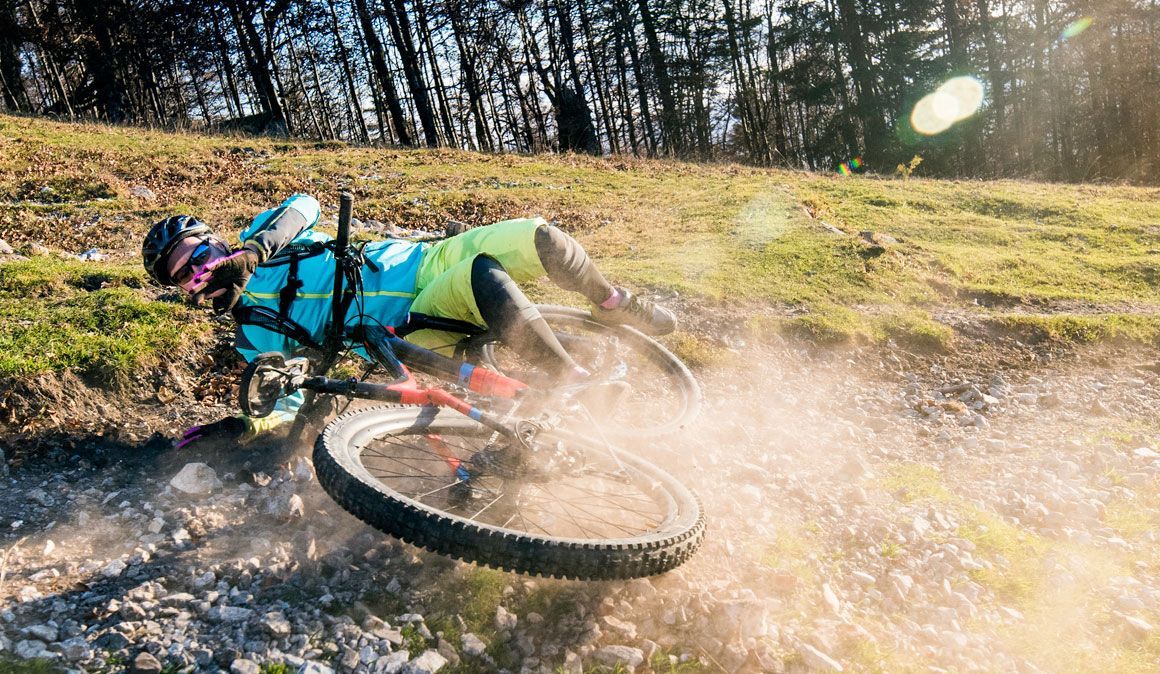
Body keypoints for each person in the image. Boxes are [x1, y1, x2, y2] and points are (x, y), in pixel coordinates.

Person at [141, 193, 676, 447]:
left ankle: (613, 302)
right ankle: (572, 387)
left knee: (540, 236)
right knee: (479, 287)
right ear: (183, 289)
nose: (198, 269)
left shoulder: (268, 234)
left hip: (424, 260)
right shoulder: (252, 331)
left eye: (198, 252)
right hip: (409, 333)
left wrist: (254, 253)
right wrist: (246, 426)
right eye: (182, 273)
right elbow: (283, 397)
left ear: (214, 240)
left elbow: (306, 205)